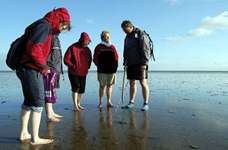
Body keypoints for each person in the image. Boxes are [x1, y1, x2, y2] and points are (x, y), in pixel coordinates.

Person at [16, 7, 71, 145]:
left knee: (28, 102)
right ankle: (35, 138)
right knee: (38, 103)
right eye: (63, 26)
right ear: (60, 20)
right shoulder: (44, 26)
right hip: (31, 68)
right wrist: (44, 66)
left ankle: (24, 133)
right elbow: (34, 48)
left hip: (25, 67)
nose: (62, 29)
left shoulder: (41, 25)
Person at [121, 20, 150, 111]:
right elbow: (125, 51)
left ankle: (145, 104)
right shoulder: (127, 37)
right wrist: (125, 63)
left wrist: (144, 63)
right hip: (130, 63)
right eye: (123, 30)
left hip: (140, 63)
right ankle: (131, 102)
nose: (124, 32)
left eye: (125, 30)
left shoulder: (141, 34)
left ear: (130, 27)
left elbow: (145, 49)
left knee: (142, 82)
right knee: (132, 82)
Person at [64, 32, 92, 111]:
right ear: (81, 41)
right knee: (75, 88)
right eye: (85, 43)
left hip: (84, 72)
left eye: (87, 43)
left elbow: (90, 59)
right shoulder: (72, 47)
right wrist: (74, 66)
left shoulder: (87, 50)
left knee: (82, 89)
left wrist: (88, 66)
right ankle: (75, 105)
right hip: (74, 72)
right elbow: (66, 59)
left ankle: (79, 103)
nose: (86, 45)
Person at [93, 30, 118, 108]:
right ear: (102, 38)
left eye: (108, 37)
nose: (107, 38)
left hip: (111, 70)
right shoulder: (98, 47)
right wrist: (99, 65)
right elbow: (95, 58)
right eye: (106, 36)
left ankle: (109, 101)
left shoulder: (112, 47)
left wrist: (115, 66)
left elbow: (116, 57)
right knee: (102, 86)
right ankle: (100, 102)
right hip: (102, 70)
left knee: (110, 86)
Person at [44, 34, 64, 122]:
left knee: (52, 91)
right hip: (50, 68)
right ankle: (49, 115)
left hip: (56, 68)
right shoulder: (49, 36)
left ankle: (51, 112)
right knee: (48, 91)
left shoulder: (56, 38)